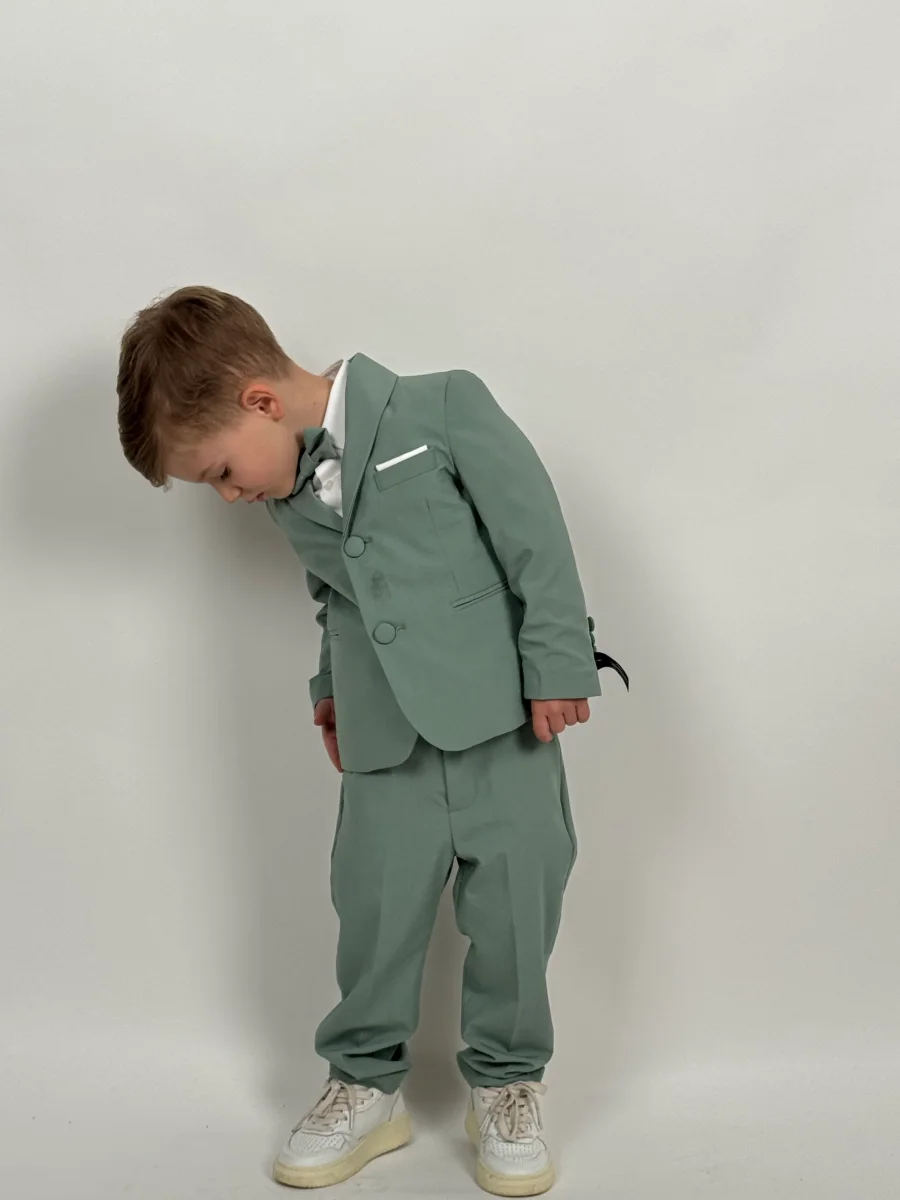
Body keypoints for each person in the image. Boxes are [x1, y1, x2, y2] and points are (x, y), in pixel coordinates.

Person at [116, 286, 626, 1196]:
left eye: (221, 472)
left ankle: (507, 1082)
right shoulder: (288, 497)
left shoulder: (443, 406)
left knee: (518, 902)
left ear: (260, 402)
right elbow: (336, 597)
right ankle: (364, 1083)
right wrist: (330, 691)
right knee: (373, 907)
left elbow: (535, 538)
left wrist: (558, 661)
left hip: (502, 720)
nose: (230, 496)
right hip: (384, 734)